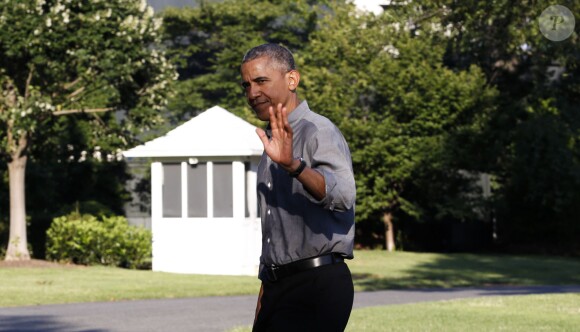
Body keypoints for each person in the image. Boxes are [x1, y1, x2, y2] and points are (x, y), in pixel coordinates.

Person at [240, 43, 356, 332]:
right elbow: (275, 238)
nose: (252, 93)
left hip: (316, 286)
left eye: (261, 81)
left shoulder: (319, 131)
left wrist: (295, 166)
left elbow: (343, 196)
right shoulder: (272, 142)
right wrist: (264, 300)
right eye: (247, 85)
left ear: (292, 80)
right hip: (277, 287)